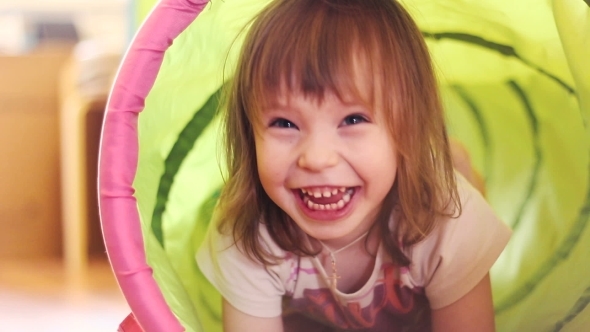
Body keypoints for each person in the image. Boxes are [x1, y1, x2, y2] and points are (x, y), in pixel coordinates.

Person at [196, 0, 511, 331]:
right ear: (250, 134)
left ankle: (449, 159)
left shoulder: (448, 219)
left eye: (353, 119)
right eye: (284, 124)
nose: (316, 158)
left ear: (409, 127)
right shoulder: (248, 232)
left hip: (431, 231)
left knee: (456, 192)